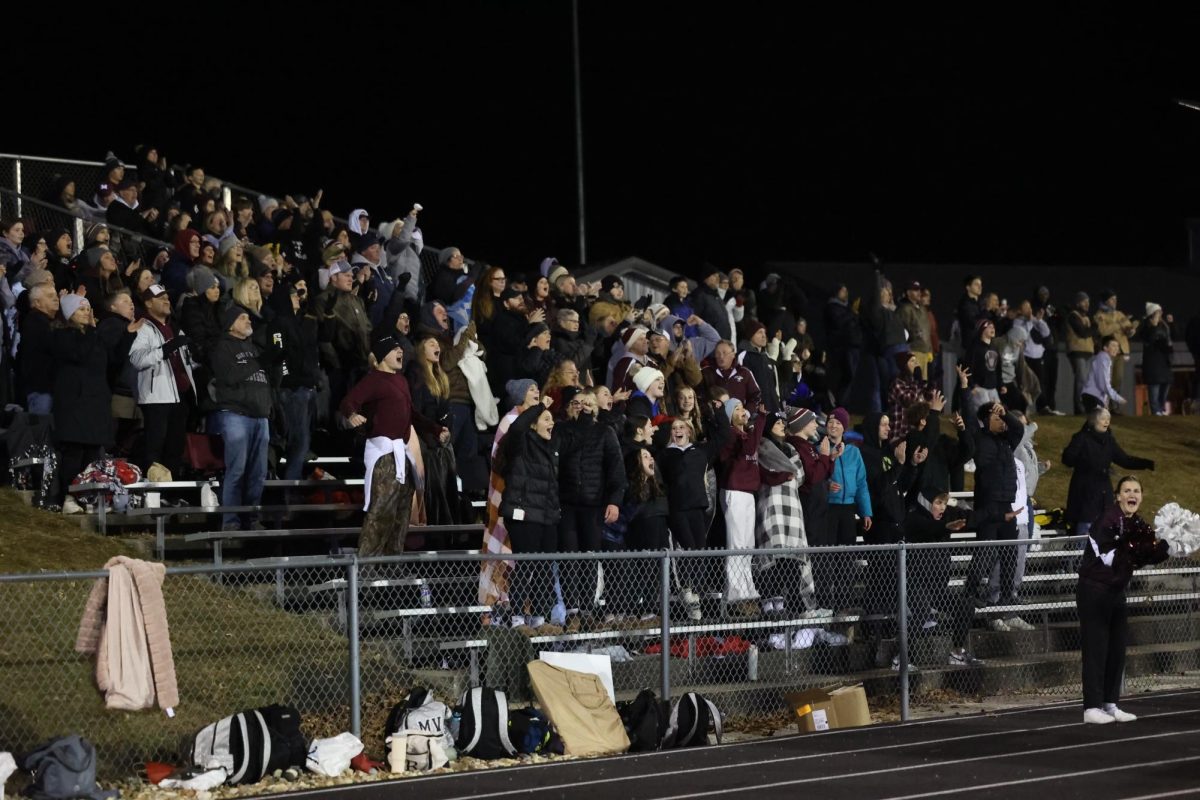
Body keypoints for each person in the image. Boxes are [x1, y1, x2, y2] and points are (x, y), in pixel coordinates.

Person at [1077, 476, 1170, 723]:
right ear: (1118, 496)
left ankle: (1110, 703)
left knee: (1116, 648)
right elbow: (1111, 556)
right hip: (1094, 590)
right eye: (1127, 490)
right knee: (1096, 649)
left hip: (1116, 590)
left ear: (1141, 496)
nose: (1132, 494)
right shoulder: (1106, 520)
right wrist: (1140, 552)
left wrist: (1168, 546)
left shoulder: (1138, 523)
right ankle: (1091, 708)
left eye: (1137, 490)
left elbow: (1148, 552)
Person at [52, 295, 140, 507]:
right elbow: (80, 353)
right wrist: (92, 330)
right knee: (74, 452)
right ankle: (68, 496)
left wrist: (128, 336)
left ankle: (87, 498)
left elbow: (113, 362)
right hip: (74, 402)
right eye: (82, 309)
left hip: (96, 402)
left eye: (89, 309)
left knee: (92, 454)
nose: (88, 313)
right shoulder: (62, 335)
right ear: (69, 313)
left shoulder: (95, 337)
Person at [341, 336, 425, 557]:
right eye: (394, 349)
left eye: (401, 348)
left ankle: (391, 568)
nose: (401, 352)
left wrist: (435, 429)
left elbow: (413, 414)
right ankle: (366, 570)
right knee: (381, 512)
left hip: (402, 455)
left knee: (401, 515)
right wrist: (352, 415)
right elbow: (349, 401)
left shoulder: (402, 381)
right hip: (384, 455)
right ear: (382, 355)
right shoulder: (374, 379)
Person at [494, 404, 562, 633]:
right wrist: (539, 406)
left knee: (544, 567)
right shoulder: (521, 443)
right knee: (526, 564)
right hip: (523, 515)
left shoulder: (552, 447)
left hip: (547, 516)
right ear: (533, 423)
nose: (551, 424)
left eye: (552, 419)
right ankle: (516, 617)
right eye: (546, 419)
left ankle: (539, 617)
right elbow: (517, 428)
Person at [756, 411, 829, 618]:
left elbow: (799, 475)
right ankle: (772, 602)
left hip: (792, 507)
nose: (780, 424)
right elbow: (766, 472)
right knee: (773, 555)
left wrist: (785, 474)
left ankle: (798, 606)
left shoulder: (790, 448)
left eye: (782, 422)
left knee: (793, 558)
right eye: (776, 422)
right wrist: (782, 475)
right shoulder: (762, 446)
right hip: (772, 504)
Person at [209, 306, 275, 531]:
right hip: (236, 415)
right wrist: (259, 362)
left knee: (258, 474)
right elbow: (229, 376)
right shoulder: (222, 347)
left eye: (249, 317)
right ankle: (231, 522)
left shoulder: (254, 348)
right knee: (236, 471)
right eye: (242, 317)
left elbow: (265, 381)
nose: (248, 321)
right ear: (230, 323)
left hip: (261, 416)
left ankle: (251, 519)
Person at [903, 486, 982, 668]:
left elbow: (969, 517)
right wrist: (946, 526)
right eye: (938, 503)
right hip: (915, 585)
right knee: (921, 612)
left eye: (944, 503)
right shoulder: (914, 519)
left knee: (966, 605)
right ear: (926, 503)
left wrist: (1002, 516)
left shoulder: (944, 519)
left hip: (937, 589)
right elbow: (930, 527)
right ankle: (900, 656)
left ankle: (956, 652)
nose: (942, 507)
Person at [961, 402, 1024, 618]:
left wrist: (1006, 413)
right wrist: (965, 389)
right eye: (997, 418)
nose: (1002, 422)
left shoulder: (1008, 441)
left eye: (1002, 418)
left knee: (1009, 551)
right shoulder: (980, 438)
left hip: (1006, 504)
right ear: (986, 421)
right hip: (987, 504)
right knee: (984, 551)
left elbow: (1019, 429)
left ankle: (1007, 593)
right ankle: (970, 592)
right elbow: (969, 419)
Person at [128, 284, 195, 477]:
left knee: (175, 448)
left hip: (179, 396)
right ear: (148, 303)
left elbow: (185, 361)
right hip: (156, 396)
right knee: (155, 447)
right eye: (160, 297)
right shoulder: (144, 327)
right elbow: (137, 359)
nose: (167, 300)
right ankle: (152, 494)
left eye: (167, 297)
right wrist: (165, 350)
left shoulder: (175, 327)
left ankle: (170, 494)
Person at [1062, 407, 1154, 535]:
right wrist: (1082, 460)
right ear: (1094, 421)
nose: (1107, 422)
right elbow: (1067, 459)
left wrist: (1147, 463)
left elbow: (1124, 460)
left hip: (1104, 493)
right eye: (1103, 419)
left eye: (1108, 419)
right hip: (1085, 493)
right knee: (1085, 531)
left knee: (1105, 530)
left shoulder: (1109, 441)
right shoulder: (1081, 438)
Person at [717, 398, 767, 616]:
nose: (742, 412)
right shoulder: (730, 435)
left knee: (747, 545)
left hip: (747, 492)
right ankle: (736, 594)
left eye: (742, 408)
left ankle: (748, 591)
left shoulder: (746, 434)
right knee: (737, 544)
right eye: (736, 409)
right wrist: (760, 421)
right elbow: (748, 448)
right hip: (734, 490)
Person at [822, 407, 872, 612]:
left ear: (845, 427)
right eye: (830, 422)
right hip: (827, 510)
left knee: (846, 558)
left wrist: (866, 511)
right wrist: (826, 485)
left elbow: (861, 483)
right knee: (826, 558)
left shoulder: (854, 452)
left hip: (847, 510)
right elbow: (812, 478)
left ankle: (844, 603)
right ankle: (824, 602)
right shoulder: (820, 448)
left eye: (838, 423)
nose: (833, 426)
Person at [1139, 302, 1173, 416]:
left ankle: (1161, 407)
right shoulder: (1146, 326)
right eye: (1158, 311)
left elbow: (1171, 338)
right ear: (1152, 314)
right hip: (1152, 362)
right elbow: (1150, 338)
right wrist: (1153, 326)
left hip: (1164, 360)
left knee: (1165, 384)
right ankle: (1155, 411)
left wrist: (1171, 324)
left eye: (1161, 311)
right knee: (1154, 386)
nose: (1161, 313)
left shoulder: (1164, 326)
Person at [1066, 292, 1096, 414]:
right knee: (1081, 380)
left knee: (1085, 381)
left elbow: (1090, 334)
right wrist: (1095, 326)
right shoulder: (1073, 316)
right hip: (1077, 351)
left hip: (1087, 352)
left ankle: (1084, 406)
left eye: (1088, 301)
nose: (1087, 304)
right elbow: (1083, 332)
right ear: (1078, 303)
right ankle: (1079, 408)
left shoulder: (1086, 318)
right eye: (1084, 301)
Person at [1080, 336, 1125, 413]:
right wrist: (1117, 398)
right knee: (1099, 422)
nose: (1116, 348)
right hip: (1093, 396)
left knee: (1096, 422)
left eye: (1117, 346)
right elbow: (1103, 384)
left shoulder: (1104, 358)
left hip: (1092, 396)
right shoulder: (1103, 359)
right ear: (1105, 348)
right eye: (1113, 346)